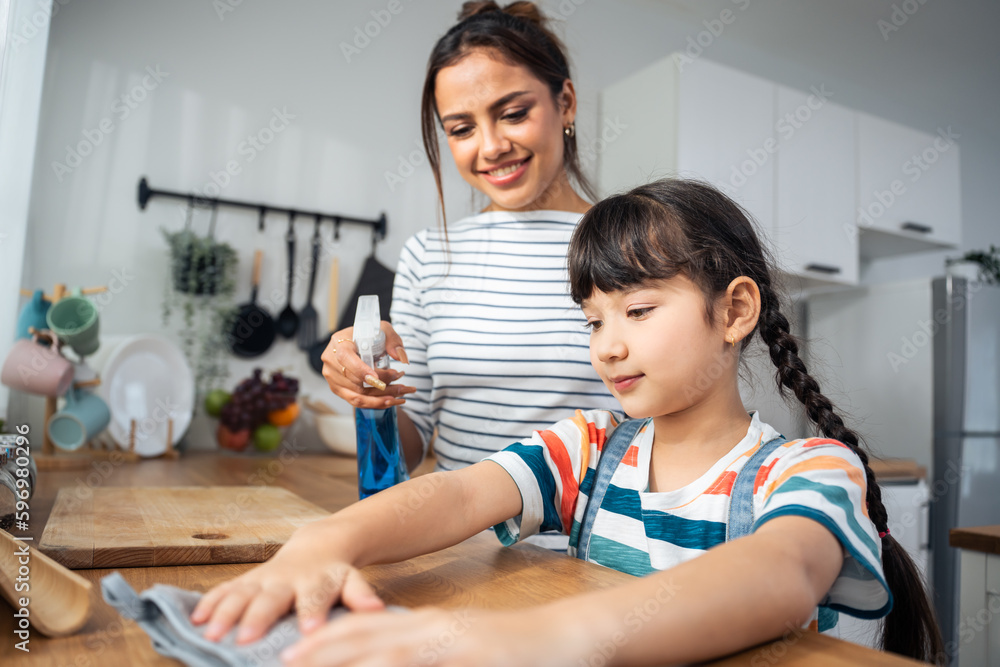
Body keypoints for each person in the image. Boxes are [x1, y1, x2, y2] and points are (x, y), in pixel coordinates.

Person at [192, 179, 943, 666]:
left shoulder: (810, 470)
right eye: (593, 320)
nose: (608, 344)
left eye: (640, 311)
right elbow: (456, 496)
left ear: (734, 310)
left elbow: (777, 576)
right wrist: (323, 542)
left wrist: (532, 641)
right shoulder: (587, 446)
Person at [320, 1, 620, 489]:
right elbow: (409, 446)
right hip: (460, 549)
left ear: (565, 102)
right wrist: (367, 389)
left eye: (514, 113)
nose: (491, 146)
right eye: (461, 129)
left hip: (596, 550)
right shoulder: (426, 255)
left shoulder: (630, 242)